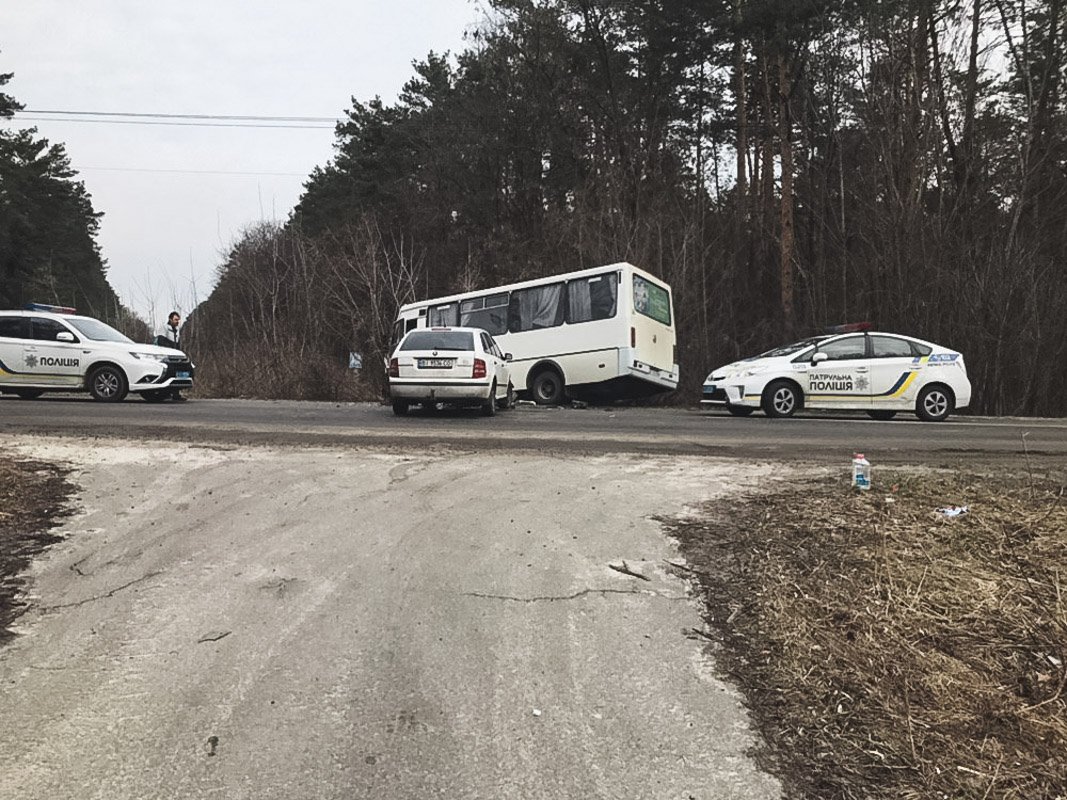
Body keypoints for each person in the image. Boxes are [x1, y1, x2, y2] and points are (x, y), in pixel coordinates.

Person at [155, 311, 186, 402]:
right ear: (170, 319)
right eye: (175, 320)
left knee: (176, 373)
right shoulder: (164, 328)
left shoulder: (177, 329)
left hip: (175, 353)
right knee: (167, 373)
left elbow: (177, 342)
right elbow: (161, 341)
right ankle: (165, 393)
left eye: (178, 320)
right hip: (166, 354)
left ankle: (176, 394)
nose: (177, 322)